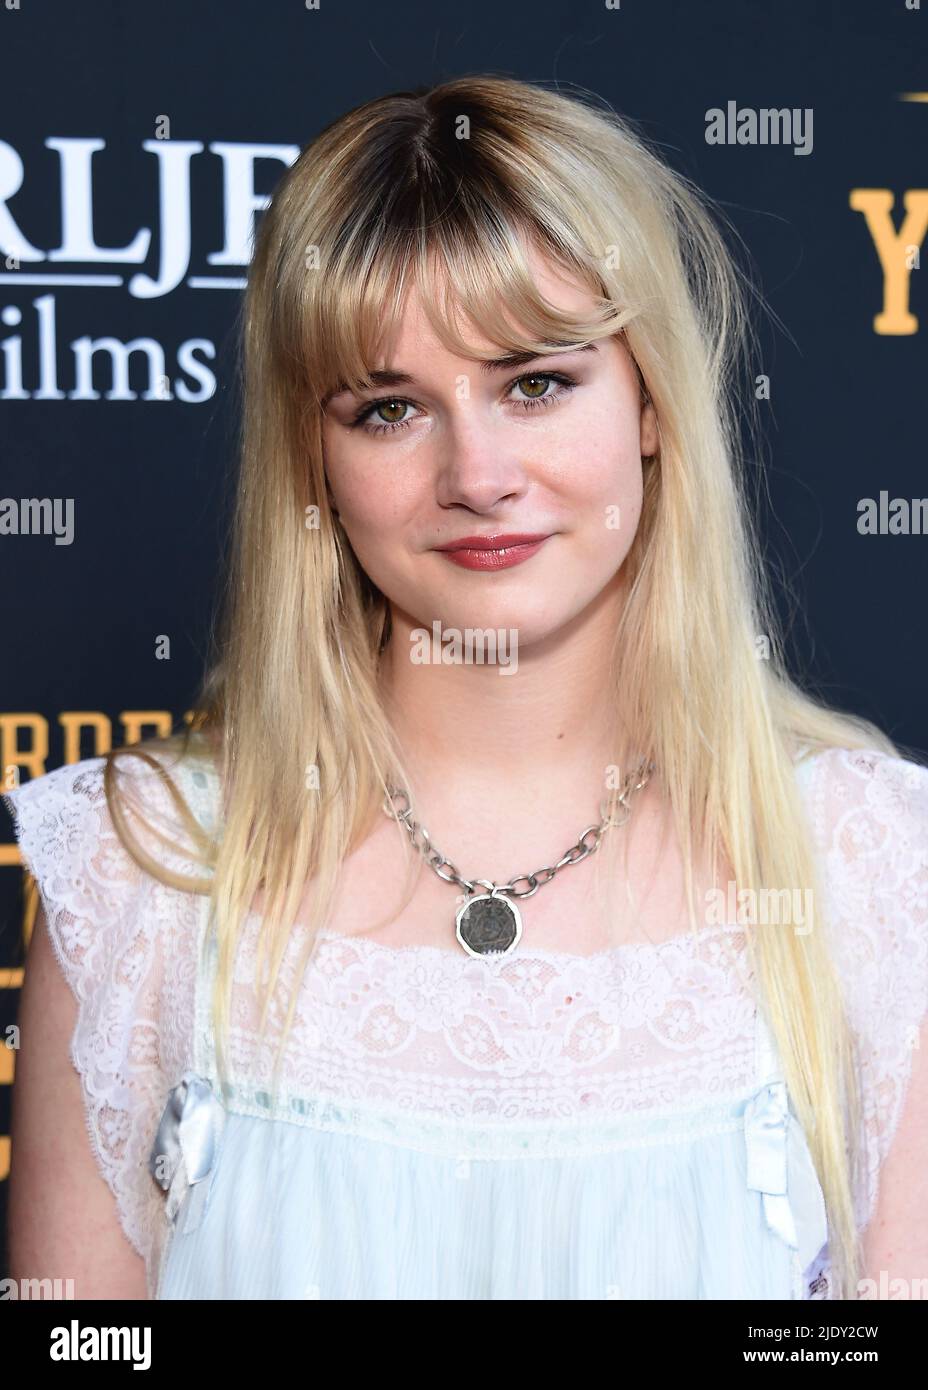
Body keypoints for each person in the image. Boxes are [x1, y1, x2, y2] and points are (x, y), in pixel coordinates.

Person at [4, 73, 927, 1302]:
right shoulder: (144, 871)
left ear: (650, 400)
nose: (477, 474)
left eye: (535, 382)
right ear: (314, 462)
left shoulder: (870, 869)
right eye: (390, 409)